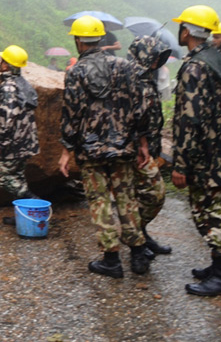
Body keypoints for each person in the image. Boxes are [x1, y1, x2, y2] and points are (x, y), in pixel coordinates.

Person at [58, 15, 151, 278]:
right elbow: (140, 106)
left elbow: (71, 114)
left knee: (100, 202)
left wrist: (66, 150)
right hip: (123, 147)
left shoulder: (76, 72)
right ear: (100, 38)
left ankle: (111, 260)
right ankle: (138, 255)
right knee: (127, 199)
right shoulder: (125, 67)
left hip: (91, 151)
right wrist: (142, 141)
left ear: (78, 40)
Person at [171, 5, 221, 297]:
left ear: (187, 31)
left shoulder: (194, 67)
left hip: (205, 156)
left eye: (182, 27)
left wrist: (181, 164)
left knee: (213, 213)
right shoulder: (219, 61)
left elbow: (191, 120)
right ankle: (218, 266)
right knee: (213, 210)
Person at [127, 36, 173, 258]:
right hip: (135, 151)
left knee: (143, 196)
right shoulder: (130, 78)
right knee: (154, 195)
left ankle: (141, 235)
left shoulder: (147, 78)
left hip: (150, 148)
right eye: (154, 56)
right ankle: (134, 240)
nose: (157, 61)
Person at [0, 45, 39, 218]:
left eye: (3, 60)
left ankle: (34, 203)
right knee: (17, 175)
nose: (0, 63)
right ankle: (25, 216)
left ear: (6, 65)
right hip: (25, 142)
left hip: (12, 144)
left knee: (0, 175)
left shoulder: (7, 87)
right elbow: (17, 109)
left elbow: (7, 118)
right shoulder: (23, 84)